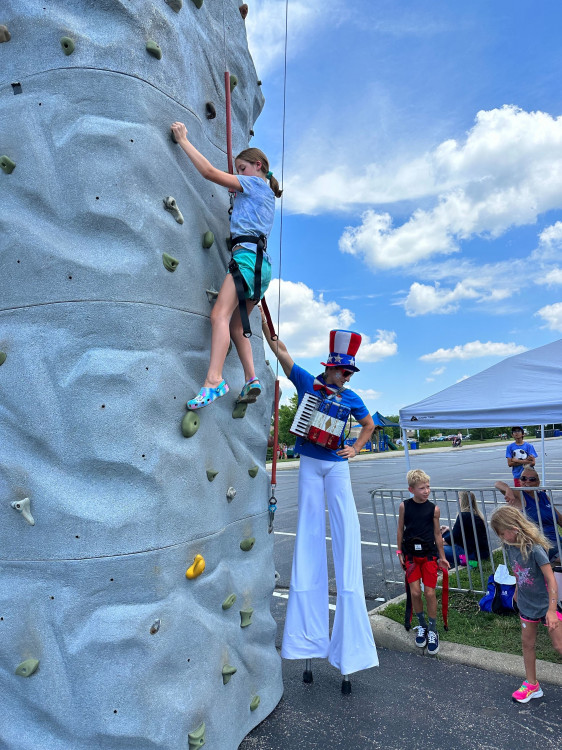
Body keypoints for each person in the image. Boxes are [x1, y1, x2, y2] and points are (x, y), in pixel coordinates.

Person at [261, 318, 378, 690]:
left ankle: (350, 651)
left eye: (350, 372)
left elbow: (368, 424)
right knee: (307, 542)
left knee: (348, 545)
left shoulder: (352, 398)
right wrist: (267, 331)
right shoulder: (310, 382)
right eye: (346, 371)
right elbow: (283, 355)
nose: (348, 377)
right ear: (333, 367)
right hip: (310, 464)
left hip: (337, 466)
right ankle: (306, 643)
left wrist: (356, 448)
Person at [170, 122, 282, 410]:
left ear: (258, 166)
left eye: (241, 168)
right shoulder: (268, 195)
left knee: (218, 316)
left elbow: (209, 172)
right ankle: (251, 378)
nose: (238, 174)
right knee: (236, 325)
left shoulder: (254, 183)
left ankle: (213, 380)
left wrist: (183, 140)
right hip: (262, 268)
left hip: (245, 260)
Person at [490, 506, 562, 703]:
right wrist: (515, 591)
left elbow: (551, 580)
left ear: (513, 527)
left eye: (501, 532)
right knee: (527, 644)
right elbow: (518, 571)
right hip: (526, 605)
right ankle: (532, 685)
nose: (500, 537)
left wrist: (552, 610)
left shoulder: (535, 549)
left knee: (559, 645)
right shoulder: (508, 546)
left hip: (547, 606)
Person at [397, 469, 450, 655]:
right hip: (411, 556)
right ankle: (422, 625)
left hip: (429, 556)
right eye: (422, 488)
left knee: (429, 593)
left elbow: (437, 534)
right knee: (415, 592)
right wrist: (399, 550)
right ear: (411, 490)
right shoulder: (404, 506)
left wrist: (442, 557)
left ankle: (433, 630)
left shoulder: (433, 509)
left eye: (428, 487)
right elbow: (400, 530)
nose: (426, 491)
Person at [495, 469, 562, 562]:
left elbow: (559, 519)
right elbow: (498, 483)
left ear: (538, 482)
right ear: (520, 481)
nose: (527, 481)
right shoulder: (520, 495)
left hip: (557, 542)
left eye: (532, 479)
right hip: (541, 546)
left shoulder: (543, 496)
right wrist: (507, 489)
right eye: (523, 478)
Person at [440, 491, 491, 566]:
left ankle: (456, 564)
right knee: (446, 533)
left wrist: (435, 543)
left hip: (471, 557)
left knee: (437, 549)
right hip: (482, 554)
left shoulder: (463, 516)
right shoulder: (476, 514)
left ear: (462, 500)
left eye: (459, 498)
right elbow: (465, 531)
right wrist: (449, 528)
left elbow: (452, 539)